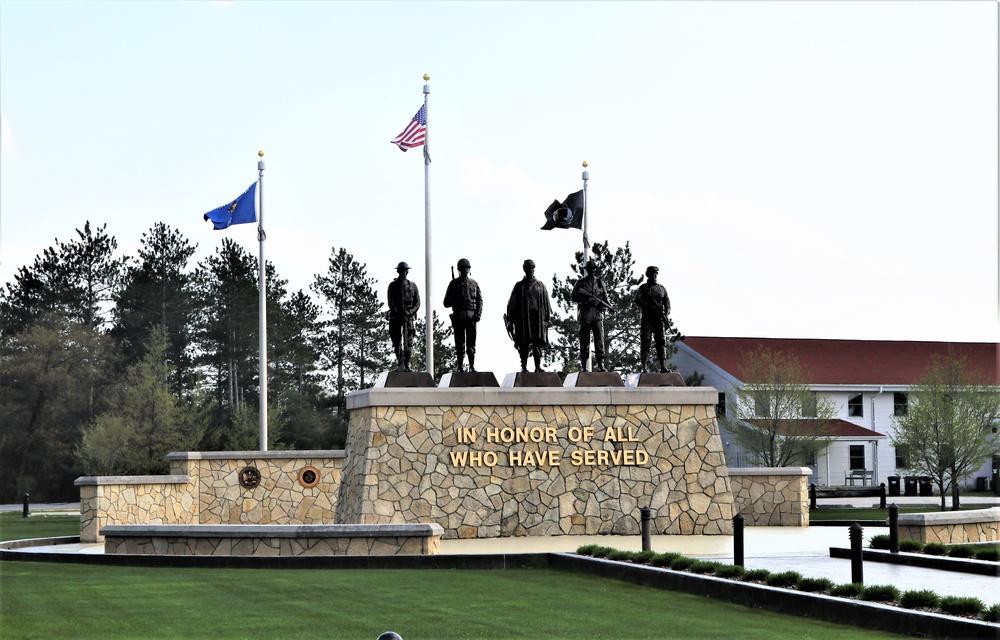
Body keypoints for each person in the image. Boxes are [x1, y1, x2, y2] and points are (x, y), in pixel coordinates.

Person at [505, 259, 551, 372]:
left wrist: (548, 318)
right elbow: (512, 304)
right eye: (528, 268)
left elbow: (546, 303)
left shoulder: (540, 285)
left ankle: (537, 366)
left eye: (532, 268)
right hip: (523, 318)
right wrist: (510, 320)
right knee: (523, 343)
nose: (530, 270)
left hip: (537, 318)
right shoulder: (519, 286)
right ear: (524, 269)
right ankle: (524, 366)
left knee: (537, 343)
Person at [443, 258, 483, 372]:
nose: (465, 270)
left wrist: (478, 314)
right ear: (459, 270)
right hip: (459, 316)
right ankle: (460, 366)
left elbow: (480, 300)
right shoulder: (453, 284)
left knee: (471, 343)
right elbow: (445, 303)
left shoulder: (474, 284)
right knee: (459, 343)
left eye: (467, 268)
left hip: (471, 316)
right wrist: (455, 298)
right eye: (463, 269)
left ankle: (471, 366)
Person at [570, 260, 611, 371]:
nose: (591, 271)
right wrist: (587, 301)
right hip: (585, 315)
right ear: (587, 270)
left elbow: (605, 298)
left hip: (597, 315)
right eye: (589, 269)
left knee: (599, 341)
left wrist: (610, 306)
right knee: (584, 341)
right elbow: (573, 297)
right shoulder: (581, 282)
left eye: (593, 269)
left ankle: (600, 365)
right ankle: (583, 365)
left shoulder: (600, 283)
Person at [634, 265, 670, 373]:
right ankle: (644, 365)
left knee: (661, 341)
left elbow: (667, 304)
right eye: (652, 274)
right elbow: (637, 300)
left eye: (656, 274)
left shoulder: (662, 289)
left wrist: (666, 315)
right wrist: (648, 306)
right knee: (646, 340)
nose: (654, 276)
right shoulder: (643, 288)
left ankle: (663, 366)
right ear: (648, 275)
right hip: (647, 318)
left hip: (659, 318)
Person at [387, 261, 420, 372]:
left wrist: (409, 312)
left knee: (408, 342)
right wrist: (399, 314)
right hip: (396, 317)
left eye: (406, 271)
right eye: (402, 271)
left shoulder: (413, 285)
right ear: (398, 271)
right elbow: (391, 303)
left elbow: (417, 302)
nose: (404, 273)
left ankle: (407, 363)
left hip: (409, 317)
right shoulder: (393, 285)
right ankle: (400, 362)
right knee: (396, 341)